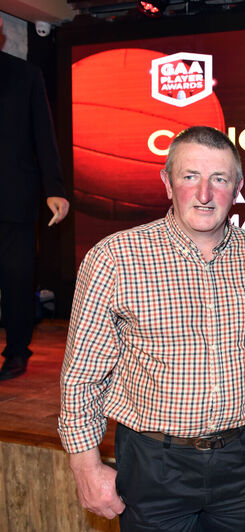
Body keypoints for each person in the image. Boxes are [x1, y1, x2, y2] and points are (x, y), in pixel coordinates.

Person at [58, 126, 245, 530]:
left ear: (237, 188)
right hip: (154, 464)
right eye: (189, 176)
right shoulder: (115, 258)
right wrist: (85, 465)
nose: (204, 194)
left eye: (219, 179)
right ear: (166, 182)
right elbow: (82, 374)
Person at [0, 17, 70, 381]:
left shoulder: (24, 75)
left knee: (16, 278)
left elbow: (44, 134)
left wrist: (55, 188)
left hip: (14, 197)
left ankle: (16, 350)